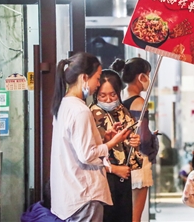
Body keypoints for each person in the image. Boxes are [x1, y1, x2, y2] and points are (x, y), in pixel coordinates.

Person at [50, 52, 132, 221]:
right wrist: (113, 143)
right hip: (84, 195)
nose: (98, 83)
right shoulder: (81, 110)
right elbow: (87, 155)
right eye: (98, 77)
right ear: (84, 77)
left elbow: (77, 147)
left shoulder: (64, 105)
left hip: (70, 195)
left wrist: (103, 140)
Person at [111, 57, 159, 222]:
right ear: (141, 77)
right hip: (138, 161)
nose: (149, 80)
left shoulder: (119, 98)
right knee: (135, 217)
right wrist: (153, 138)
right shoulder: (139, 102)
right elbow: (144, 139)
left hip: (121, 160)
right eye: (148, 75)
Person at [89, 69, 141, 222]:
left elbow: (131, 144)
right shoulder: (91, 114)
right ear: (96, 95)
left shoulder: (124, 111)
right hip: (104, 178)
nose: (108, 99)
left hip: (124, 175)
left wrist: (134, 142)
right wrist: (114, 169)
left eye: (113, 94)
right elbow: (89, 153)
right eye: (103, 95)